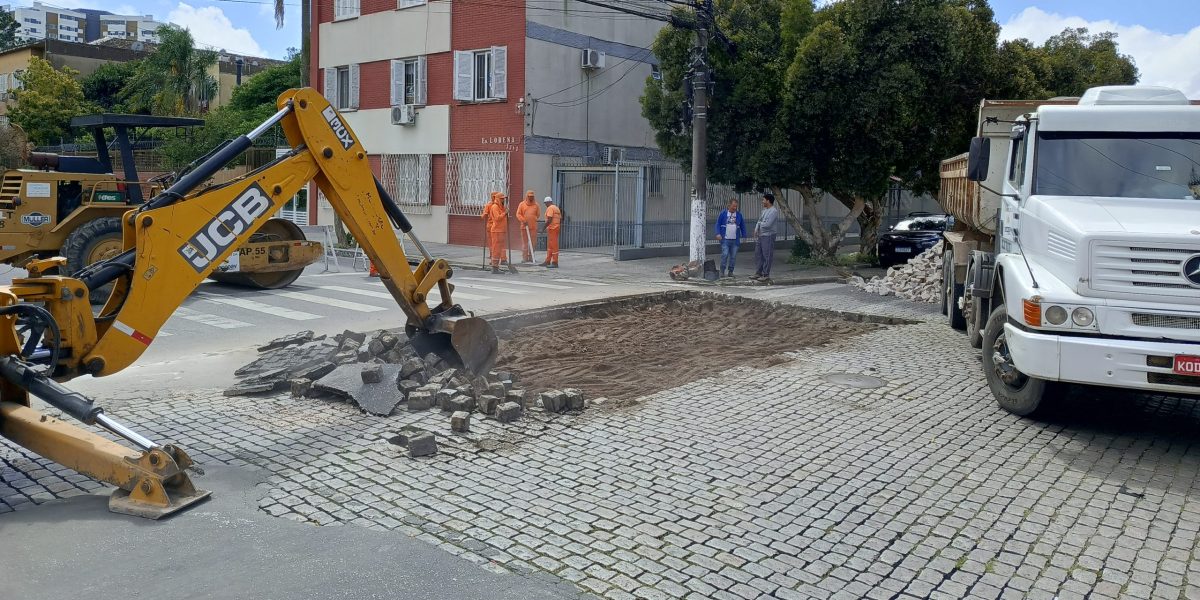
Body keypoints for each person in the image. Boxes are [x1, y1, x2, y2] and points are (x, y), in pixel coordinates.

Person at [714, 198, 745, 278]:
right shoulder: (723, 214)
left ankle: (731, 271)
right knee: (724, 254)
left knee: (733, 256)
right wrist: (718, 233)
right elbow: (718, 224)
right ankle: (722, 271)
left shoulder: (739, 215)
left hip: (735, 240)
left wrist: (744, 235)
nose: (735, 208)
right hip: (725, 239)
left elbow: (742, 226)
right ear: (729, 205)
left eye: (736, 206)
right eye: (733, 206)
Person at [753, 191, 780, 281]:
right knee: (758, 254)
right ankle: (758, 272)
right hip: (761, 235)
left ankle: (766, 274)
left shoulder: (773, 211)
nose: (762, 201)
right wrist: (757, 228)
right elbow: (759, 220)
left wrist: (760, 224)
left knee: (767, 254)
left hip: (768, 235)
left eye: (763, 200)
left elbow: (768, 224)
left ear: (768, 201)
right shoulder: (764, 210)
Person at [481, 191, 508, 273]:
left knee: (499, 248)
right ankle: (494, 267)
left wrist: (504, 212)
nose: (503, 200)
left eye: (504, 199)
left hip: (501, 230)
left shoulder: (501, 207)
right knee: (495, 248)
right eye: (502, 199)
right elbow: (497, 218)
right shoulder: (494, 207)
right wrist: (505, 213)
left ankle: (497, 265)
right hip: (496, 230)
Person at [516, 190, 540, 264]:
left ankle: (531, 257)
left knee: (533, 243)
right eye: (529, 196)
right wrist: (523, 220)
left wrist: (532, 219)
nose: (531, 198)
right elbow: (518, 214)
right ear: (527, 196)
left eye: (532, 196)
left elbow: (538, 215)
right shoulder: (522, 204)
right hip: (524, 227)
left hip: (533, 227)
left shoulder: (536, 205)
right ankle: (525, 258)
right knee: (525, 243)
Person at [540, 196, 561, 268]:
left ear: (548, 202)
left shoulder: (550, 208)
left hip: (553, 228)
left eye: (545, 203)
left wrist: (543, 228)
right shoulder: (556, 208)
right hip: (555, 228)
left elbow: (549, 219)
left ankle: (555, 262)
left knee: (553, 246)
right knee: (550, 246)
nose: (545, 205)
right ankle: (547, 261)